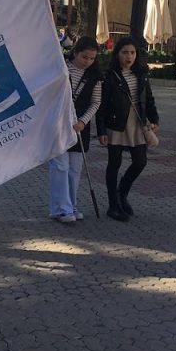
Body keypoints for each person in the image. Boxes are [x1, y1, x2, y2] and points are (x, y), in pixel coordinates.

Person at [97, 37, 159, 221]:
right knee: (114, 165)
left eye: (132, 52)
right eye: (125, 52)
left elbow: (148, 99)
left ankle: (122, 192)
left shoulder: (141, 74)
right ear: (117, 55)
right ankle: (113, 205)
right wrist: (101, 131)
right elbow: (102, 106)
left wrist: (154, 118)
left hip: (137, 123)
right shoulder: (110, 77)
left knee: (140, 162)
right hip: (116, 124)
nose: (129, 56)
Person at [48, 37, 102, 223]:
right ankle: (60, 209)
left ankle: (72, 205)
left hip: (80, 128)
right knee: (60, 167)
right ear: (75, 52)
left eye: (92, 58)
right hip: (59, 126)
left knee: (74, 170)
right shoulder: (61, 68)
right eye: (84, 57)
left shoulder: (94, 76)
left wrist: (83, 121)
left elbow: (96, 102)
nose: (87, 62)